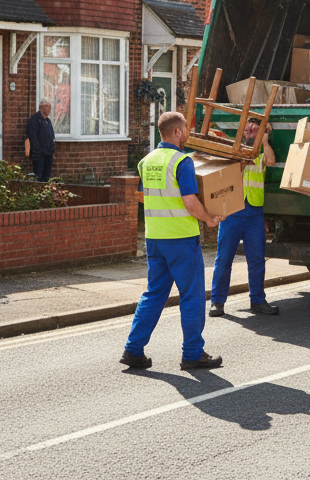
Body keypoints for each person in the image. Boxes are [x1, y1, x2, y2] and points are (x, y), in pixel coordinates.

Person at [120, 111, 224, 371]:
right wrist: (209, 220)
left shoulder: (146, 162)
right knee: (192, 296)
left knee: (154, 294)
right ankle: (192, 354)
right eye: (185, 129)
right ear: (177, 132)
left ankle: (133, 350)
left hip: (154, 239)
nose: (187, 133)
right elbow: (190, 202)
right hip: (181, 239)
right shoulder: (182, 162)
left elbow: (144, 196)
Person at [210, 119, 280, 318]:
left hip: (254, 211)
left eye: (255, 129)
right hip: (232, 210)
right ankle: (217, 301)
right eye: (248, 128)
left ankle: (258, 300)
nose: (250, 131)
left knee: (257, 259)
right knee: (224, 258)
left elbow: (272, 161)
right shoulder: (234, 148)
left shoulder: (262, 151)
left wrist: (265, 142)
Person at [26, 100, 56, 182]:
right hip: (39, 155)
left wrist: (52, 149)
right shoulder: (34, 120)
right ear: (42, 108)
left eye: (50, 107)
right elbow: (32, 137)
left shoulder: (47, 121)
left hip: (48, 154)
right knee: (38, 176)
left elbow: (51, 135)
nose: (50, 110)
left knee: (46, 177)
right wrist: (38, 151)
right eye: (48, 107)